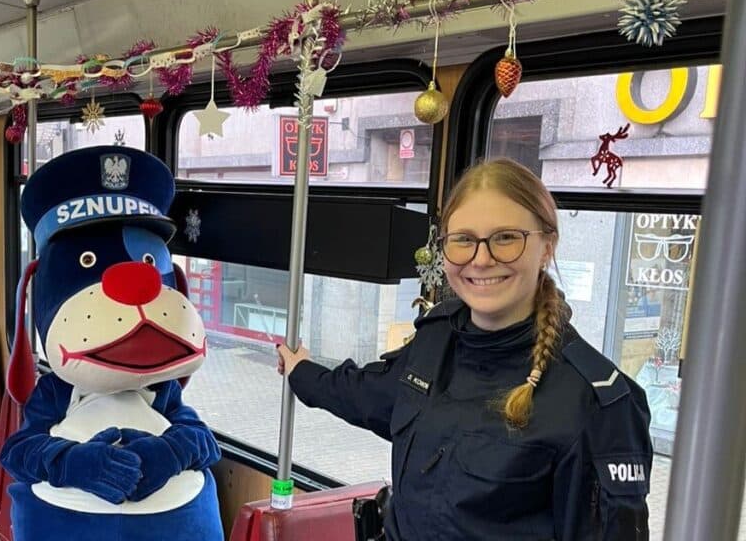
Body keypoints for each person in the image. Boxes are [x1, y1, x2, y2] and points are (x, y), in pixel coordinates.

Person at [278, 158, 652, 540]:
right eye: (463, 240)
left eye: (506, 238)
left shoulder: (597, 404)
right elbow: (366, 393)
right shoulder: (435, 342)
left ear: (546, 246)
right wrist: (301, 372)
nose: (482, 258)